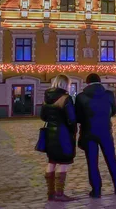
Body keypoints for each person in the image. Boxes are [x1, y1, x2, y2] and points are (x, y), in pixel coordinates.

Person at [75, 73, 116, 198]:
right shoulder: (109, 94)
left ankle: (96, 190)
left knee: (92, 162)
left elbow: (78, 116)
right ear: (99, 82)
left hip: (88, 132)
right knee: (111, 159)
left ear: (87, 83)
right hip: (105, 132)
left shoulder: (81, 97)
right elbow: (114, 110)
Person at [40, 74, 77, 202]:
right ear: (65, 84)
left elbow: (43, 117)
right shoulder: (66, 98)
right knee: (63, 162)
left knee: (52, 161)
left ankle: (50, 193)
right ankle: (60, 194)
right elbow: (72, 119)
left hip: (50, 133)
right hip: (63, 134)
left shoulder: (46, 97)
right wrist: (73, 131)